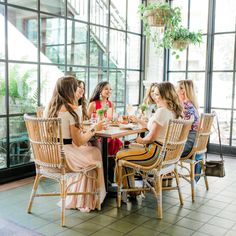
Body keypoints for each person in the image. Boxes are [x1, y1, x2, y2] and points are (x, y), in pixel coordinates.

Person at [45, 75, 106, 212]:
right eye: (76, 88)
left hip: (48, 156)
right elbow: (78, 142)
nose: (78, 90)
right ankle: (93, 198)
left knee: (89, 147)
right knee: (95, 150)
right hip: (65, 157)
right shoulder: (73, 110)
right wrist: (94, 129)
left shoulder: (49, 108)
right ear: (70, 90)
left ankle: (79, 194)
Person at [116, 82, 183, 189]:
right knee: (126, 154)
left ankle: (128, 189)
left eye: (157, 94)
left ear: (165, 95)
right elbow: (153, 128)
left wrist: (139, 140)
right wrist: (138, 121)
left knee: (120, 155)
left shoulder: (162, 112)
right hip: (168, 155)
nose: (154, 97)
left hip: (155, 155)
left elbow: (152, 137)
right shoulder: (174, 112)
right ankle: (130, 189)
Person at [88, 81, 123, 156]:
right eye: (106, 89)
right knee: (111, 141)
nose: (109, 91)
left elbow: (112, 120)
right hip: (97, 134)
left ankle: (112, 164)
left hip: (108, 132)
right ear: (100, 90)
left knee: (115, 141)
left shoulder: (111, 104)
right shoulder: (93, 104)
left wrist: (117, 120)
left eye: (110, 89)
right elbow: (86, 121)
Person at [176, 79, 201, 181]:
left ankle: (159, 179)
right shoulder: (190, 104)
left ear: (182, 90)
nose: (175, 90)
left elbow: (184, 128)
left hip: (188, 144)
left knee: (163, 153)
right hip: (195, 143)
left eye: (176, 87)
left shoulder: (185, 106)